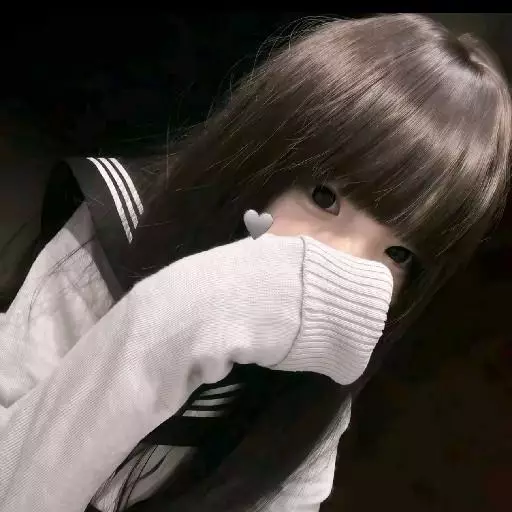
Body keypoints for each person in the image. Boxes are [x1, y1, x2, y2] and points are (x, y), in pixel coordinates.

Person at [0, 12, 510, 512]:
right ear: (262, 157)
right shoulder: (118, 237)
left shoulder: (314, 395)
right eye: (325, 198)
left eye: (398, 254)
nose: (342, 265)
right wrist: (193, 307)